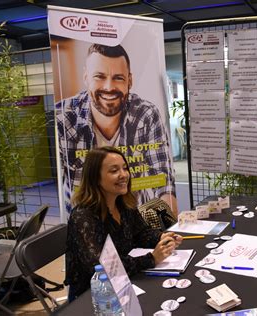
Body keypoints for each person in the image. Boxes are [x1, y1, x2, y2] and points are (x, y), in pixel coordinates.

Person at [56, 43, 177, 214]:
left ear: (130, 80)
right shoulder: (63, 118)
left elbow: (163, 181)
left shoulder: (146, 114)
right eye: (99, 76)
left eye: (118, 78)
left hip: (135, 220)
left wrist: (169, 224)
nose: (109, 87)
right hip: (87, 223)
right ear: (86, 77)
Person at [65, 147, 182, 301]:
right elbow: (101, 267)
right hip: (92, 295)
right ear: (95, 178)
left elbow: (141, 233)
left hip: (126, 280)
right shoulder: (83, 217)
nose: (124, 175)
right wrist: (151, 259)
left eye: (125, 168)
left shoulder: (124, 203)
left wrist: (161, 237)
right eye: (114, 171)